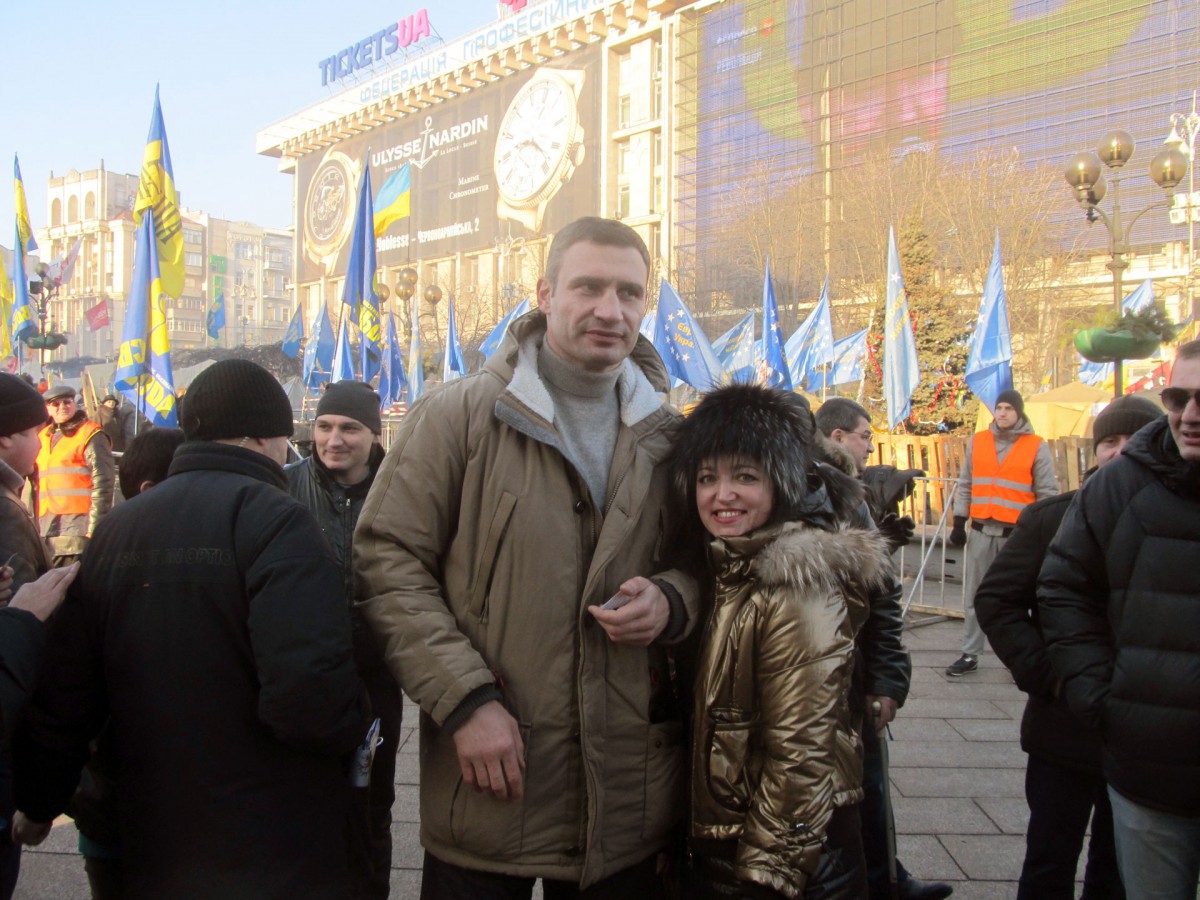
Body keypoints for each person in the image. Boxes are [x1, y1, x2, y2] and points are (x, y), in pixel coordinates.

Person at [355, 216, 699, 898]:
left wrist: (674, 597)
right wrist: (465, 700)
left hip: (627, 798)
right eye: (589, 287)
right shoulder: (458, 417)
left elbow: (717, 563)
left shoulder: (672, 436)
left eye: (630, 293)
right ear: (544, 293)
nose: (611, 309)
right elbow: (385, 559)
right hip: (490, 783)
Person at [13, 359, 369, 900]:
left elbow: (69, 691)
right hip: (269, 836)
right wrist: (356, 736)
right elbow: (308, 689)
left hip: (148, 825)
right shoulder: (278, 518)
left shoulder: (117, 529)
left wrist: (41, 800)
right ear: (261, 438)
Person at [670, 383, 893, 898]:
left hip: (790, 866)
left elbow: (802, 757)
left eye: (744, 477)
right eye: (708, 478)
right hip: (735, 846)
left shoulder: (796, 586)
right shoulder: (732, 568)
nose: (721, 495)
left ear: (781, 485)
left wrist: (769, 876)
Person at [976, 395, 1158, 899]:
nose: (1119, 453)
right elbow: (997, 600)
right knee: (1049, 859)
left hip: (1142, 734)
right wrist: (1048, 674)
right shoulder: (1051, 518)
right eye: (1109, 442)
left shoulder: (1175, 520)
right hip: (1063, 727)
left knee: (1118, 868)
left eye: (1133, 441)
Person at [1040, 341, 1200, 899]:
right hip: (1147, 767)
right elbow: (1061, 588)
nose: (1191, 415)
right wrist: (1100, 697)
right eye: (1178, 398)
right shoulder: (1119, 486)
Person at [815, 397, 951, 900]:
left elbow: (881, 601)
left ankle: (883, 880)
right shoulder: (769, 490)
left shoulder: (848, 496)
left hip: (853, 682)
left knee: (866, 793)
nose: (870, 445)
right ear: (834, 437)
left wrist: (888, 678)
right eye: (864, 435)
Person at [287, 380, 399, 900]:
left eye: (350, 428)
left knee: (373, 805)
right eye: (325, 426)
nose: (335, 439)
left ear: (374, 436)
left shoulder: (401, 490)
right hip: (304, 673)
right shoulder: (283, 487)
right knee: (305, 804)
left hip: (376, 675)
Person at [65, 426, 184, 900]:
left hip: (133, 814)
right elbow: (70, 701)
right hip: (121, 812)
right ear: (150, 493)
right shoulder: (100, 578)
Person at [946, 389, 1057, 676]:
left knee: (1022, 597)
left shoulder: (1036, 446)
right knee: (975, 595)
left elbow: (1046, 493)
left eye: (1009, 407)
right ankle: (970, 654)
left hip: (1018, 536)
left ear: (1019, 412)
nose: (1003, 412)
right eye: (1000, 407)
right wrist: (959, 521)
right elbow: (966, 483)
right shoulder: (979, 441)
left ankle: (1024, 657)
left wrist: (1044, 533)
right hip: (982, 530)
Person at [36, 384, 115, 566]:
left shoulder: (90, 434)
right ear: (48, 409)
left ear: (74, 404)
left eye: (67, 402)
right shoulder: (42, 437)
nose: (62, 407)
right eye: (55, 404)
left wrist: (95, 526)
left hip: (78, 531)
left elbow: (103, 482)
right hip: (47, 529)